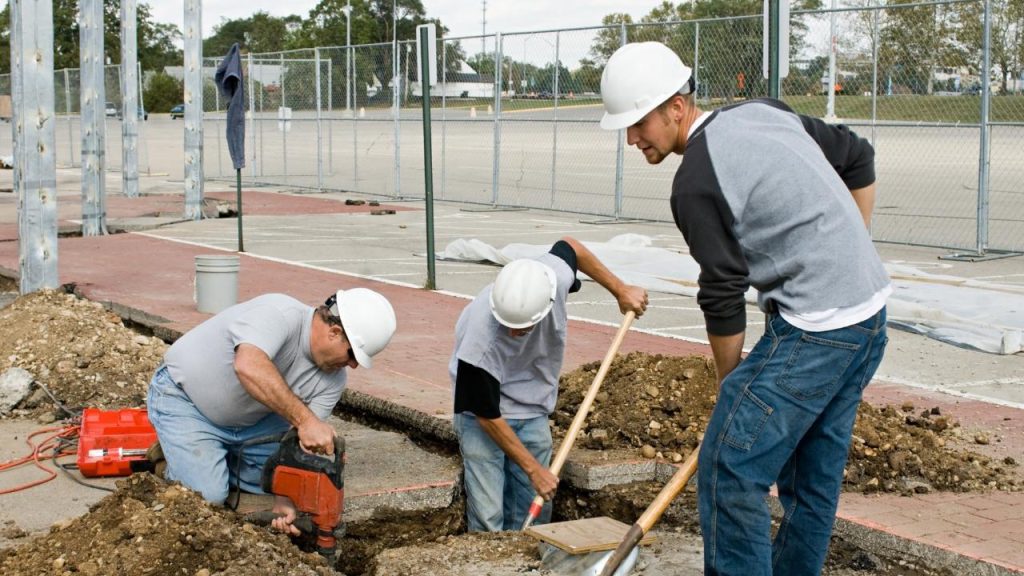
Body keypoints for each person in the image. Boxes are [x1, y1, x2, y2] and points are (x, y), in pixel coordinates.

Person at [600, 42, 890, 575]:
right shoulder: (763, 111)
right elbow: (858, 156)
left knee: (730, 467)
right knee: (809, 482)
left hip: (819, 329)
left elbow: (722, 295)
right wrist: (852, 251)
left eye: (639, 122)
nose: (632, 138)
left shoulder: (694, 183)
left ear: (676, 107)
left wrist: (731, 387)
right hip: (869, 314)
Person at [146, 288, 396, 535]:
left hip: (251, 422)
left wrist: (284, 497)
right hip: (185, 399)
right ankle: (170, 459)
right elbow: (248, 366)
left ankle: (213, 457)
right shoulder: (278, 313)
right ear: (334, 332)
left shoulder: (333, 380)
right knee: (208, 496)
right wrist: (306, 421)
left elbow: (297, 444)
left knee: (284, 481)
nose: (353, 365)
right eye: (352, 354)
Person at [450, 237, 648, 532]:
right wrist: (534, 470)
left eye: (522, 327)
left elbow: (572, 246)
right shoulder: (479, 345)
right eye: (508, 325)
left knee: (535, 520)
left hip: (531, 410)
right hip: (483, 421)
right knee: (489, 519)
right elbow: (486, 414)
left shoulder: (549, 279)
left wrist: (620, 289)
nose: (514, 332)